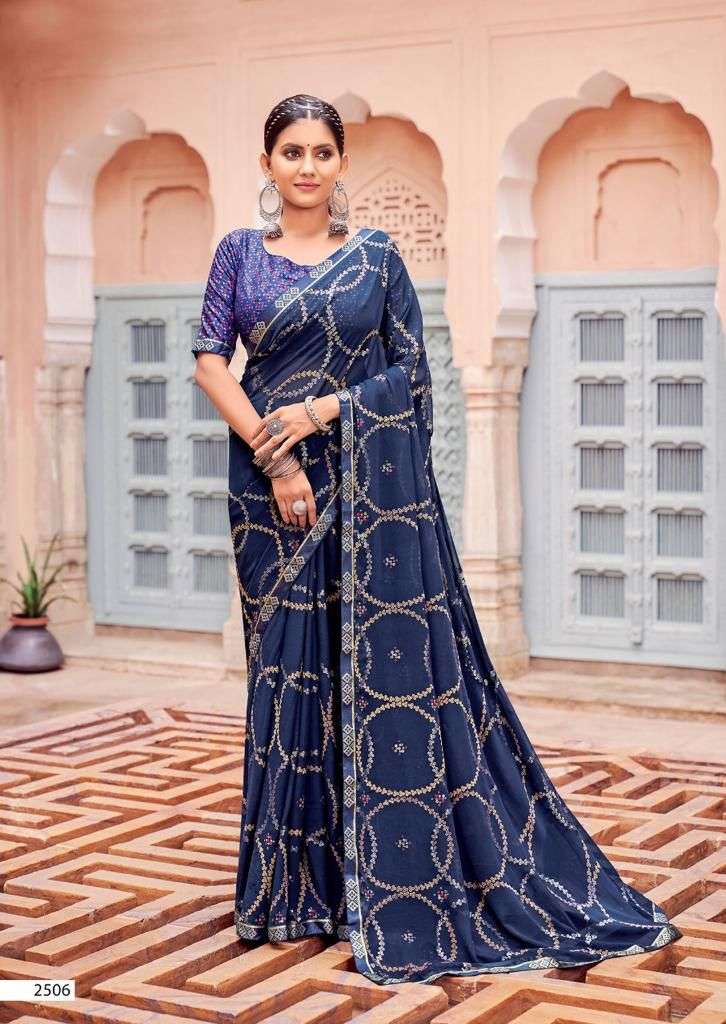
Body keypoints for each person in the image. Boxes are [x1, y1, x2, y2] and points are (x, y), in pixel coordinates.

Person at [191, 93, 682, 987]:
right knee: (288, 673)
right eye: (292, 152)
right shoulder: (237, 254)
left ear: (341, 164)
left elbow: (409, 374)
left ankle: (380, 877)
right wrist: (278, 457)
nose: (307, 166)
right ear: (267, 164)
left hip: (365, 484)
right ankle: (294, 891)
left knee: (368, 668)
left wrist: (323, 411)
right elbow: (210, 360)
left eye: (322, 152)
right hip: (272, 490)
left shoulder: (377, 257)